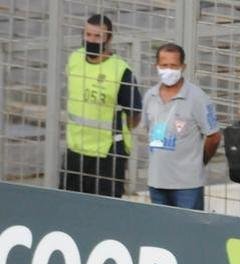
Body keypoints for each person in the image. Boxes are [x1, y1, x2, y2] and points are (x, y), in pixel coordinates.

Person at [61, 14, 142, 198]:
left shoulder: (120, 71)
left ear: (109, 39)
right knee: (68, 204)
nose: (91, 40)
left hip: (108, 152)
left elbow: (134, 114)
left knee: (105, 208)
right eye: (88, 35)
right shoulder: (75, 59)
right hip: (76, 148)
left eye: (97, 36)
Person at [143, 43, 221, 210]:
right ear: (156, 66)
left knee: (188, 233)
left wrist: (199, 162)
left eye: (173, 66)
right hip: (157, 182)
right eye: (164, 65)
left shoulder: (197, 98)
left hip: (187, 186)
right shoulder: (150, 96)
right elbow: (148, 128)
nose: (168, 70)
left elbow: (214, 137)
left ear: (183, 67)